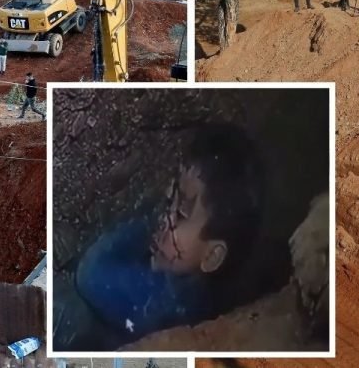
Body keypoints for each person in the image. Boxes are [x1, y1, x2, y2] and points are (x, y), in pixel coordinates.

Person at [52, 124, 265, 351]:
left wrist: (145, 227)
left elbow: (91, 272)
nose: (165, 217)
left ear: (212, 256)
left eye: (182, 213)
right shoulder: (194, 288)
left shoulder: (168, 302)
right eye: (170, 196)